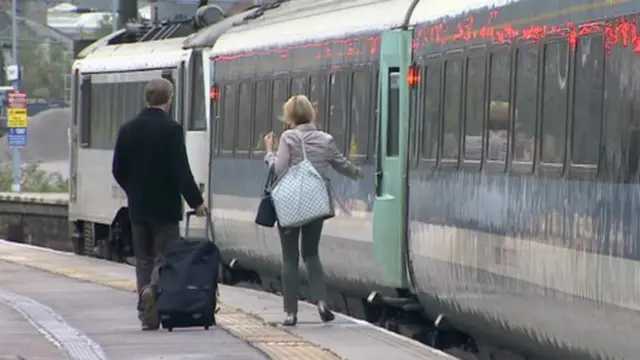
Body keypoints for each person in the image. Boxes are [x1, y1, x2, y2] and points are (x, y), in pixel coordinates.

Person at [111, 78, 208, 331]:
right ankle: (154, 293)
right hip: (165, 208)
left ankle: (146, 313)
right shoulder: (172, 129)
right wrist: (196, 203)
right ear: (169, 99)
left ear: (146, 99)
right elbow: (181, 172)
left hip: (138, 207)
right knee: (165, 259)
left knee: (143, 259)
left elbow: (117, 169)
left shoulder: (127, 129)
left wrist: (133, 191)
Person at [263, 94, 364, 326]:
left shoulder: (288, 138)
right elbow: (343, 165)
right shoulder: (325, 139)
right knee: (311, 254)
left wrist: (270, 151)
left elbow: (278, 170)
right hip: (316, 205)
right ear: (311, 113)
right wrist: (361, 174)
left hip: (289, 206)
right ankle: (321, 302)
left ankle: (291, 313)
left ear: (289, 116)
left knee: (289, 258)